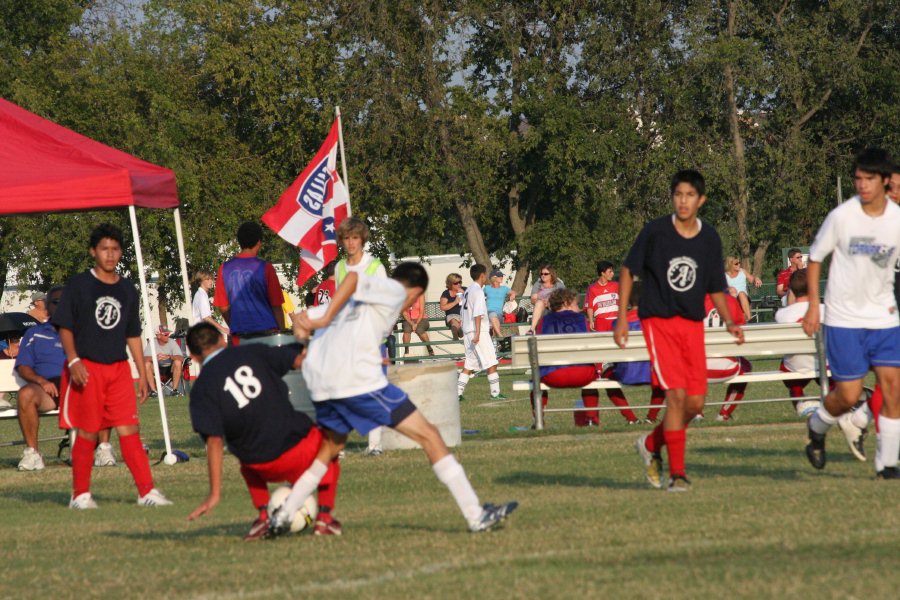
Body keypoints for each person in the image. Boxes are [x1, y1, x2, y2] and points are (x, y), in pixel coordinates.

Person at [268, 263, 517, 536]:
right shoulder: (394, 290)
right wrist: (324, 319)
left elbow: (302, 320)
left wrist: (314, 328)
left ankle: (284, 515)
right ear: (415, 290)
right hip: (358, 382)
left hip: (323, 384)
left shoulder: (355, 302)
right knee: (430, 436)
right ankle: (475, 514)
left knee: (328, 450)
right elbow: (351, 277)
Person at [615, 169, 744, 492]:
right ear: (672, 197)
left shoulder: (709, 237)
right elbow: (629, 270)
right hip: (658, 322)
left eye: (689, 195)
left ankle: (650, 444)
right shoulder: (656, 232)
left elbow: (716, 287)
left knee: (696, 404)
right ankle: (678, 474)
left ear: (701, 200)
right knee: (675, 396)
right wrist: (621, 318)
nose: (683, 201)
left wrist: (730, 322)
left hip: (692, 324)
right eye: (678, 194)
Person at [184, 322, 342, 539]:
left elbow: (214, 442)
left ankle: (262, 516)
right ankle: (324, 519)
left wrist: (214, 494)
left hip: (259, 465)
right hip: (297, 449)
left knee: (244, 458)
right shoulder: (251, 352)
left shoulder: (200, 390)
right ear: (222, 340)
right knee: (329, 447)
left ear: (193, 356)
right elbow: (299, 361)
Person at [53, 223, 172, 509]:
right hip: (88, 367)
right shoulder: (80, 285)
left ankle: (146, 492)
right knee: (88, 431)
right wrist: (74, 360)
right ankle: (80, 495)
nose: (109, 254)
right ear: (93, 251)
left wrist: (142, 374)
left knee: (129, 428)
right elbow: (65, 328)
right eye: (104, 249)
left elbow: (132, 333)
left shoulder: (127, 290)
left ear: (120, 252)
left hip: (118, 369)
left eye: (115, 249)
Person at [802, 149, 900, 478]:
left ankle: (886, 465)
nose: (862, 184)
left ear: (885, 182)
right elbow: (815, 259)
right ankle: (817, 428)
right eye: (858, 178)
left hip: (884, 317)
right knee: (848, 395)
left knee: (893, 390)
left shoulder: (896, 220)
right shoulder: (842, 216)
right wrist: (814, 305)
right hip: (844, 319)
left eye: (869, 178)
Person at [334, 217, 388, 456]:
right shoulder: (339, 268)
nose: (351, 243)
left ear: (362, 240)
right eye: (346, 238)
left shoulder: (375, 267)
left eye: (355, 238)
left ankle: (375, 445)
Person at [532, 288, 603, 426]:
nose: (579, 308)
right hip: (583, 374)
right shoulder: (582, 320)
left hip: (553, 375)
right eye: (576, 304)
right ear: (566, 303)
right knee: (591, 380)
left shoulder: (544, 321)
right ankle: (591, 418)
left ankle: (538, 419)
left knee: (535, 381)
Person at [213, 221, 285, 340]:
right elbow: (276, 305)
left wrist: (235, 325)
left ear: (239, 241)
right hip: (267, 333)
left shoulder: (224, 268)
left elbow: (223, 307)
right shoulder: (266, 267)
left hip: (240, 335)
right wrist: (281, 333)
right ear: (258, 242)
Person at [457, 264, 506, 402]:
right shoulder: (477, 291)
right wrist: (478, 333)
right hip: (477, 332)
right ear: (482, 275)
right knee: (491, 361)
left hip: (468, 331)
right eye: (486, 275)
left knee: (469, 364)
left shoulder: (468, 290)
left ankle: (457, 393)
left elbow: (464, 311)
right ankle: (495, 393)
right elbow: (478, 314)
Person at [703, 292, 751, 422]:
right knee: (746, 368)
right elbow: (742, 327)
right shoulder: (730, 301)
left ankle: (697, 412)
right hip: (727, 365)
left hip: (696, 367)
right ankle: (724, 413)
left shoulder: (693, 300)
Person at [143, 324, 184, 396]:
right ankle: (153, 391)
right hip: (156, 369)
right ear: (158, 335)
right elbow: (144, 358)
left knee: (178, 362)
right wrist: (154, 358)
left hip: (170, 369)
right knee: (146, 364)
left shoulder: (172, 342)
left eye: (168, 334)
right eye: (165, 334)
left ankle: (174, 391)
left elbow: (181, 358)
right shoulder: (152, 343)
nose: (168, 336)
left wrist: (169, 357)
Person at [528, 265, 565, 333]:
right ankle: (531, 329)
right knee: (539, 303)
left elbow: (564, 299)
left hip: (555, 308)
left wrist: (550, 301)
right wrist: (543, 302)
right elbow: (533, 300)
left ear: (551, 274)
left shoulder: (558, 285)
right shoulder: (538, 284)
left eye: (546, 274)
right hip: (542, 310)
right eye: (541, 274)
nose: (543, 275)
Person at [724, 256, 762, 321]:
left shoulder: (742, 272)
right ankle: (733, 317)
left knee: (741, 293)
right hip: (731, 299)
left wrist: (756, 278)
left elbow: (752, 279)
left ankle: (749, 318)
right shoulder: (725, 275)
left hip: (744, 299)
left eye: (739, 262)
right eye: (736, 263)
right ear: (730, 264)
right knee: (732, 291)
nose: (739, 264)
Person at [585, 261, 619, 332]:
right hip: (601, 322)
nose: (612, 274)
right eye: (610, 272)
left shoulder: (616, 285)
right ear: (603, 273)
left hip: (616, 321)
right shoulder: (592, 288)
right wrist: (591, 321)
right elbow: (590, 307)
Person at [192, 271, 229, 336]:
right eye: (207, 279)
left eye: (211, 279)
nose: (211, 281)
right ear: (200, 281)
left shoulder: (201, 294)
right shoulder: (202, 295)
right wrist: (223, 329)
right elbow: (206, 317)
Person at [484, 269, 516, 338]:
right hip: (488, 314)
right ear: (493, 278)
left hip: (499, 315)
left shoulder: (504, 288)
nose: (501, 277)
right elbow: (478, 295)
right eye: (499, 276)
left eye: (502, 275)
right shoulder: (487, 288)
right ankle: (500, 337)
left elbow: (513, 292)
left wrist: (513, 294)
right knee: (492, 315)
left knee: (493, 319)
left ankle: (497, 338)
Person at [440, 273, 465, 339]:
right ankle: (457, 330)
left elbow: (473, 300)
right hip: (452, 315)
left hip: (464, 314)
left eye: (460, 282)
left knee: (456, 320)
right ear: (450, 284)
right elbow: (442, 307)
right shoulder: (446, 293)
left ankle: (456, 329)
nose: (459, 284)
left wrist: (465, 294)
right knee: (452, 318)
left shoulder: (465, 289)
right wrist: (455, 302)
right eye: (456, 283)